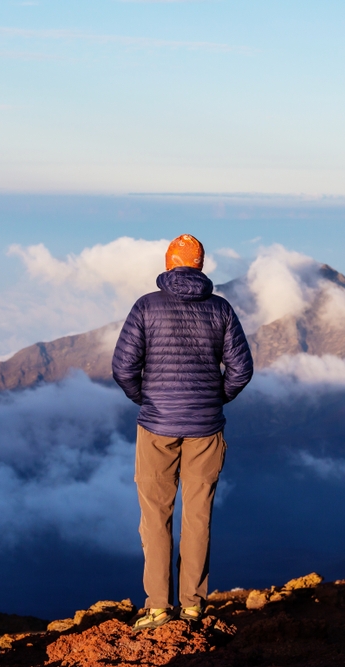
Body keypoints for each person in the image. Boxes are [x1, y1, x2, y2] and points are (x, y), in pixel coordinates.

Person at [112, 234, 253, 630]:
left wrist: (150, 400)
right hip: (206, 430)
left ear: (168, 262)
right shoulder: (220, 309)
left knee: (155, 517)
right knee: (198, 516)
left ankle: (158, 607)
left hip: (156, 427)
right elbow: (241, 369)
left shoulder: (146, 307)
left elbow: (123, 368)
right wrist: (213, 399)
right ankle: (192, 605)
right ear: (202, 266)